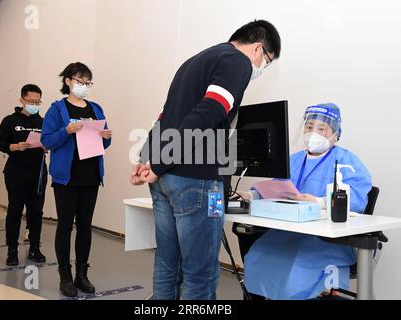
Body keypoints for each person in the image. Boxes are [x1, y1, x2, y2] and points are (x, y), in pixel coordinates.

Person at [130, 20, 281, 300]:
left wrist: (150, 160)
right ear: (258, 48)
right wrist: (159, 163)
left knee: (167, 265)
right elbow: (208, 113)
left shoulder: (195, 61)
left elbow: (165, 117)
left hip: (165, 180)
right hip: (196, 181)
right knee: (199, 274)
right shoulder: (238, 63)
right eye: (267, 61)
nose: (262, 68)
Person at [240, 103, 372, 300]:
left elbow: (358, 199)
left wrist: (319, 202)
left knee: (295, 266)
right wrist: (252, 195)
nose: (313, 133)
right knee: (258, 256)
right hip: (288, 233)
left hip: (325, 241)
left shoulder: (346, 162)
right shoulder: (293, 160)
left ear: (336, 133)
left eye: (321, 128)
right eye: (309, 127)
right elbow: (276, 186)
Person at [41, 62, 112, 297]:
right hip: (66, 177)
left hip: (91, 176)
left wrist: (106, 136)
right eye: (80, 81)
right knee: (64, 226)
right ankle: (65, 275)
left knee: (84, 226)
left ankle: (82, 274)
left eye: (87, 82)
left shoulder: (96, 108)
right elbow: (47, 141)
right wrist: (66, 131)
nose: (83, 86)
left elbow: (105, 142)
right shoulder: (57, 109)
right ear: (68, 81)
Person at [0, 84, 48, 266]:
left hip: (38, 172)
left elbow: (52, 141)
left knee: (36, 212)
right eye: (31, 101)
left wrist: (47, 146)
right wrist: (14, 147)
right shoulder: (10, 121)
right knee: (14, 211)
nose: (34, 104)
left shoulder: (44, 122)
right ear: (21, 100)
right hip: (16, 172)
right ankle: (12, 250)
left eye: (37, 101)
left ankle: (35, 248)